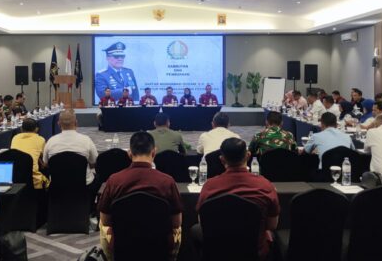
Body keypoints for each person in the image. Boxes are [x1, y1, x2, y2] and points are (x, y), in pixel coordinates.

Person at [98, 132, 184, 260]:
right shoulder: (167, 181)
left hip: (123, 249)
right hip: (159, 249)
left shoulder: (114, 180)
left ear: (129, 153)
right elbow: (176, 222)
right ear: (154, 153)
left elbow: (105, 221)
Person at [196, 138, 279, 261]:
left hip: (217, 253)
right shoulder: (265, 185)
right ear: (248, 156)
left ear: (222, 159)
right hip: (256, 253)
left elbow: (202, 222)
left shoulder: (209, 186)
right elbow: (272, 225)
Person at [42, 111, 98, 191]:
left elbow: (46, 164)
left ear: (58, 124)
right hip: (84, 186)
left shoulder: (51, 141)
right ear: (76, 123)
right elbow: (94, 162)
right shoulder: (86, 140)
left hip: (57, 186)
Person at [10, 118, 48, 189]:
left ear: (21, 129)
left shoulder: (15, 138)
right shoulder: (40, 139)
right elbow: (45, 159)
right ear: (36, 129)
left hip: (15, 179)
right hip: (34, 181)